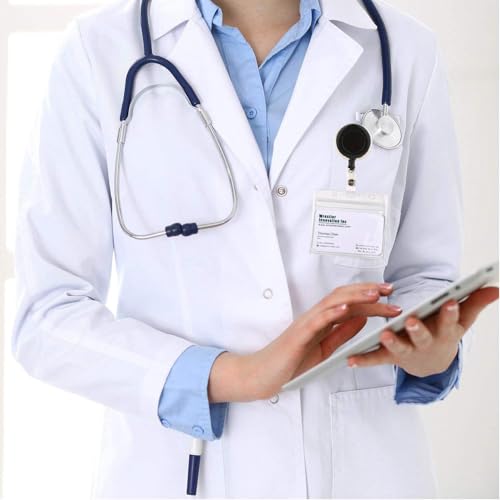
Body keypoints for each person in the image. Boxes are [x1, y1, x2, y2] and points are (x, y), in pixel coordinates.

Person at [11, 0, 498, 498]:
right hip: (177, 469)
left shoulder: (404, 48)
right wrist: (232, 376)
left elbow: (424, 274)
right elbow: (47, 315)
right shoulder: (98, 50)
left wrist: (431, 349)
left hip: (363, 471)